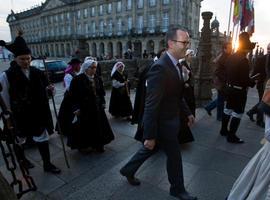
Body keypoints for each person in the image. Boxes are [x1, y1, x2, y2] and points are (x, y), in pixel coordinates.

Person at [120, 27, 196, 200]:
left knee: (149, 150)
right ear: (171, 43)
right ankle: (178, 189)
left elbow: (176, 95)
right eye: (184, 42)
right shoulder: (160, 68)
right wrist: (149, 134)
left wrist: (188, 113)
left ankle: (128, 169)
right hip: (163, 123)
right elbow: (151, 104)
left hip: (171, 120)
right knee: (173, 156)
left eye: (188, 42)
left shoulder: (176, 65)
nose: (187, 46)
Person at [0, 34, 61, 173]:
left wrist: (50, 90)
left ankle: (47, 164)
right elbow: (3, 98)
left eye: (28, 58)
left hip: (38, 113)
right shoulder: (6, 75)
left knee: (42, 137)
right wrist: (8, 117)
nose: (26, 61)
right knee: (19, 139)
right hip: (19, 114)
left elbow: (47, 92)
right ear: (15, 59)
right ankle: (23, 161)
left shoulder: (38, 72)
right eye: (22, 59)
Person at [226, 79, 270, 200]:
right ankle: (229, 133)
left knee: (231, 111)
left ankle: (228, 132)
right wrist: (250, 82)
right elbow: (268, 133)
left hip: (234, 88)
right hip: (237, 90)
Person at [67, 59, 114, 153]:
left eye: (95, 67)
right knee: (86, 128)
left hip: (97, 107)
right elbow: (72, 95)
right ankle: (85, 145)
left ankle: (99, 144)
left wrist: (103, 101)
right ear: (86, 68)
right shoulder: (77, 79)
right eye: (91, 67)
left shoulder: (97, 78)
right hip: (84, 108)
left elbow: (101, 92)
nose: (94, 69)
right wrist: (75, 108)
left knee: (99, 126)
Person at [219, 32, 256, 143]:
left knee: (227, 109)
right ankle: (231, 136)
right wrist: (253, 82)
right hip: (239, 91)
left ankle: (223, 130)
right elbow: (244, 80)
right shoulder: (244, 60)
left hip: (229, 89)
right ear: (246, 48)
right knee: (237, 113)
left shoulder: (231, 57)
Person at [204, 42, 232, 121]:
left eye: (231, 47)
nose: (231, 49)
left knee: (222, 98)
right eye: (229, 48)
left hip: (222, 81)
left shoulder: (226, 56)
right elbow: (217, 71)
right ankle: (219, 116)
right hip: (221, 82)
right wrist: (224, 80)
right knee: (221, 99)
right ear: (224, 49)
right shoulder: (223, 58)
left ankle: (209, 107)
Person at [246, 42, 270, 128]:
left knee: (263, 101)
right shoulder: (261, 59)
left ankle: (251, 112)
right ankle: (259, 121)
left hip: (267, 84)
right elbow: (255, 72)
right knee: (263, 101)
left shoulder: (261, 58)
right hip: (262, 84)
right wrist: (251, 83)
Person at [57, 58, 81, 136]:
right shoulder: (68, 75)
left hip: (76, 97)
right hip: (69, 98)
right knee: (67, 115)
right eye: (78, 65)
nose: (80, 66)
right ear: (74, 66)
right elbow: (68, 88)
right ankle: (66, 129)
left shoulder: (77, 73)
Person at [178, 49, 196, 144]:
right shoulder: (182, 64)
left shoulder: (189, 63)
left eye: (193, 55)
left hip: (190, 87)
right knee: (186, 102)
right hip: (185, 88)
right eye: (191, 55)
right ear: (187, 55)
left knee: (191, 102)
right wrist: (184, 83)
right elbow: (181, 76)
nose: (192, 57)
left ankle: (191, 117)